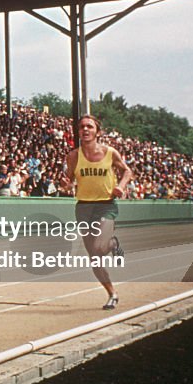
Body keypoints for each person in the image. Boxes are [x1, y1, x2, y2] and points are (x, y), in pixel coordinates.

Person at [61, 114, 133, 311]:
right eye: (82, 127)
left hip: (105, 205)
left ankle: (113, 243)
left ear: (97, 132)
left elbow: (127, 171)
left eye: (89, 127)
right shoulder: (73, 156)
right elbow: (68, 182)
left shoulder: (110, 153)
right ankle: (112, 293)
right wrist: (66, 185)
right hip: (84, 207)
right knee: (94, 256)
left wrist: (121, 186)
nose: (85, 130)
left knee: (101, 247)